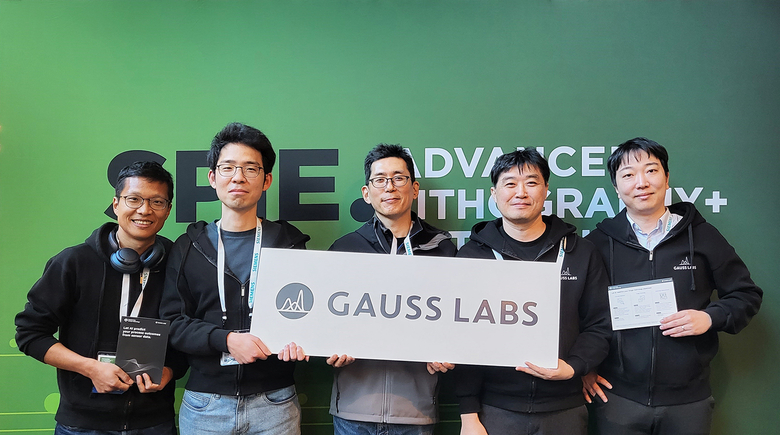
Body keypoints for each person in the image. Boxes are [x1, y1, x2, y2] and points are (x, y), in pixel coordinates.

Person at [582, 137, 763, 435]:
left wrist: (709, 318)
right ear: (616, 187)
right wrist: (584, 366)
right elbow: (580, 312)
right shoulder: (597, 244)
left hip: (688, 400)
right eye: (628, 175)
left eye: (651, 171)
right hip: (617, 397)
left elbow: (746, 294)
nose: (641, 182)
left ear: (666, 178)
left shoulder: (703, 236)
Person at [159, 122, 310, 435]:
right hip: (205, 405)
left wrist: (303, 339)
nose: (238, 177)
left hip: (276, 403)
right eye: (227, 167)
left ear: (266, 180)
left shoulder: (289, 244)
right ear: (212, 177)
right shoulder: (187, 248)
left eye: (250, 168)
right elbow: (173, 323)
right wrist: (226, 340)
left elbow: (307, 314)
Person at [15, 161, 182, 434]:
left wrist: (170, 370)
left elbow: (189, 334)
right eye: (134, 199)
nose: (144, 210)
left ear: (168, 210)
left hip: (154, 423)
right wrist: (90, 368)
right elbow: (30, 334)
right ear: (116, 204)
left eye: (157, 202)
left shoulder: (179, 266)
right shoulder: (73, 262)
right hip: (82, 425)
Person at [454, 149, 611, 435]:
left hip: (565, 407)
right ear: (494, 193)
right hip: (495, 409)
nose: (521, 192)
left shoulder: (581, 252)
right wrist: (468, 415)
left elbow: (600, 324)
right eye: (510, 183)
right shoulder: (472, 256)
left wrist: (574, 367)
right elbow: (463, 337)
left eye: (531, 182)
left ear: (546, 189)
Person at [326, 143, 457, 435]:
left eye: (399, 178)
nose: (390, 187)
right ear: (367, 193)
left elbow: (456, 319)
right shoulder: (345, 249)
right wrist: (328, 344)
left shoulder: (442, 248)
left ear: (414, 188)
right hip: (353, 410)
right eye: (380, 180)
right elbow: (324, 318)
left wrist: (449, 350)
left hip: (416, 411)